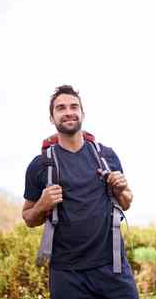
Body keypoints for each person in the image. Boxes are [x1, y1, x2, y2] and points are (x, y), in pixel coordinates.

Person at [22, 85, 139, 299]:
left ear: (82, 114)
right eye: (61, 108)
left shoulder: (106, 155)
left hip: (112, 268)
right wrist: (42, 204)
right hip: (66, 275)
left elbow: (126, 202)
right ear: (52, 117)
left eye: (74, 106)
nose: (68, 112)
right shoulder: (40, 165)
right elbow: (28, 218)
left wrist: (121, 189)